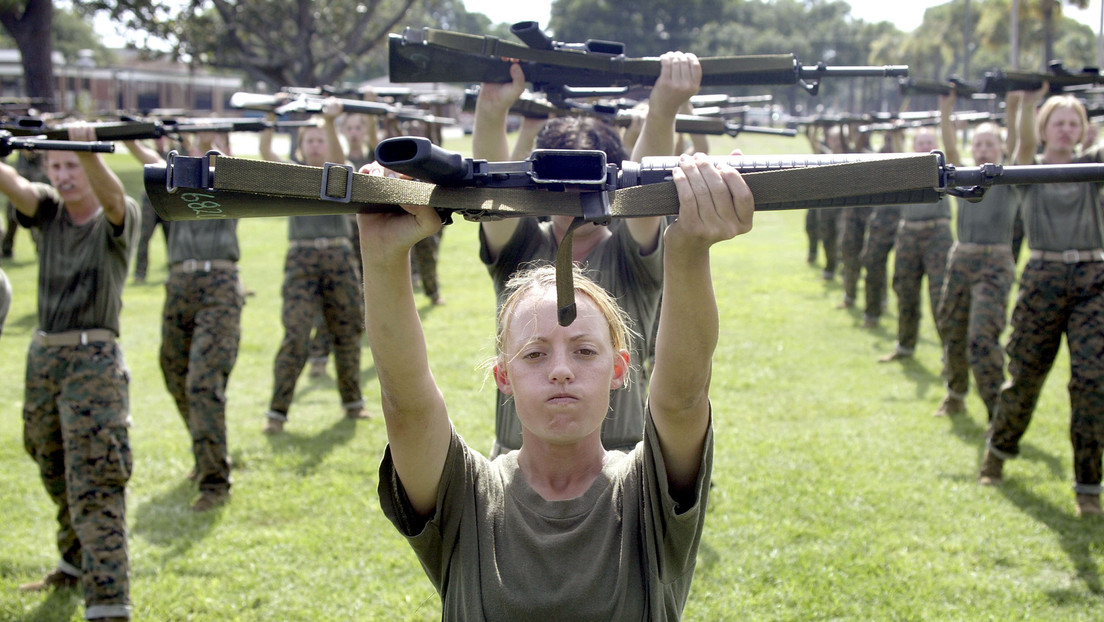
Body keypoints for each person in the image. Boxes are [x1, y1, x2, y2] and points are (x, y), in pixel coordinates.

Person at [362, 151, 753, 619]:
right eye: (534, 353)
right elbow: (408, 407)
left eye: (586, 351)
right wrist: (383, 259)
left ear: (619, 369)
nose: (561, 370)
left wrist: (687, 249)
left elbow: (683, 398)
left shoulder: (646, 496)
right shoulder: (469, 497)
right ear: (502, 374)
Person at [472, 53, 700, 456]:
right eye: (560, 182)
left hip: (617, 462)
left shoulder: (631, 254)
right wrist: (491, 111)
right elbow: (493, 195)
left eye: (588, 183)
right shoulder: (521, 245)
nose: (574, 197)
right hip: (517, 461)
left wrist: (662, 111)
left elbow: (643, 194)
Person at [1, 125, 139, 621]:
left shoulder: (116, 219)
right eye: (55, 165)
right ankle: (74, 561)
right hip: (44, 358)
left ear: (90, 165)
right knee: (50, 459)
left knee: (96, 479)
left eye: (72, 165)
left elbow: (116, 198)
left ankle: (108, 604)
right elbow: (14, 184)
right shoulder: (46, 210)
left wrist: (89, 151)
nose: (62, 175)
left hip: (93, 362)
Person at [979, 88, 1104, 517]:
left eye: (1074, 123)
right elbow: (1024, 144)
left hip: (1093, 279)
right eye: (1058, 122)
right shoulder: (1028, 170)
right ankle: (998, 451)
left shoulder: (1094, 165)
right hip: (1043, 277)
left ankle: (1089, 484)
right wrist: (1028, 103)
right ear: (1045, 128)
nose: (1067, 130)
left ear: (1083, 130)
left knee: (1092, 382)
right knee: (1026, 374)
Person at [124, 139, 244, 511]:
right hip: (179, 285)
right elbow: (149, 160)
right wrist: (131, 136)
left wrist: (215, 160)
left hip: (220, 283)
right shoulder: (173, 184)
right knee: (174, 371)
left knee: (203, 383)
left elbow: (228, 167)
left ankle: (214, 483)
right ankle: (205, 451)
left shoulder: (229, 184)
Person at [260, 100, 368, 434]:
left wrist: (331, 122)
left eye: (320, 139)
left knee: (346, 332)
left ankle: (353, 404)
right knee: (295, 334)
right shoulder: (291, 175)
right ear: (301, 146)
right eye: (310, 141)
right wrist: (269, 116)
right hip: (301, 261)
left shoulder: (337, 172)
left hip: (338, 257)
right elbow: (265, 150)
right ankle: (276, 413)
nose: (316, 146)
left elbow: (341, 159)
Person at [932, 93, 1020, 419]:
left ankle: (997, 413)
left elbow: (1017, 142)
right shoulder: (965, 179)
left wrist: (1012, 108)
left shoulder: (1008, 180)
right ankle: (955, 393)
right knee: (952, 328)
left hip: (994, 262)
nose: (984, 149)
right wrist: (945, 110)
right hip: (961, 259)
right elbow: (951, 150)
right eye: (979, 144)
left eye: (990, 144)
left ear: (1001, 149)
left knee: (981, 337)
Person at [878, 128, 954, 363]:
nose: (924, 146)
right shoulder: (907, 169)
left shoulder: (944, 170)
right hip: (908, 234)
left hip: (937, 235)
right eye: (920, 142)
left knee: (939, 296)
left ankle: (949, 355)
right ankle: (905, 346)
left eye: (929, 142)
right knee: (905, 291)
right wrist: (896, 133)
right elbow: (899, 151)